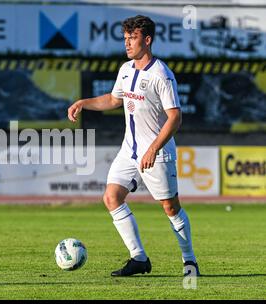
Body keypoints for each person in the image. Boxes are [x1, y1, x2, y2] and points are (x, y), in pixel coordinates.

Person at [67, 15, 199, 277]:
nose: (127, 44)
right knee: (111, 197)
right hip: (129, 151)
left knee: (171, 208)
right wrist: (83, 102)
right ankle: (138, 258)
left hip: (157, 154)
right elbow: (114, 99)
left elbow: (175, 117)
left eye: (133, 38)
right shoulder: (126, 69)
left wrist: (154, 149)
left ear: (147, 40)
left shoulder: (162, 74)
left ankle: (190, 261)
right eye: (125, 39)